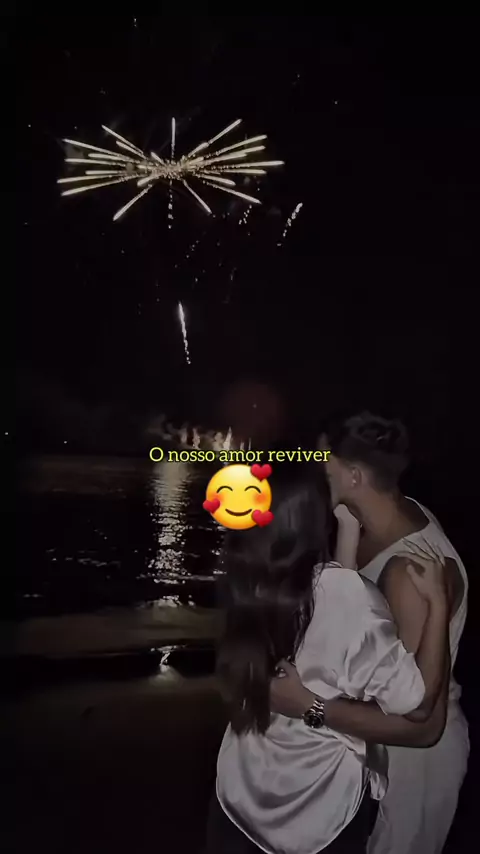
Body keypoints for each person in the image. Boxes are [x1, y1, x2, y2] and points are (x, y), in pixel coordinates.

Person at [206, 464, 450, 854]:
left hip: (240, 794)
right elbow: (417, 706)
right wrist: (438, 604)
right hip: (316, 813)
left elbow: (330, 613)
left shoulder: (247, 582)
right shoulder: (346, 599)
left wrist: (347, 533)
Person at [271, 412, 468, 854]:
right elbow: (352, 620)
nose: (316, 468)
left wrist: (309, 707)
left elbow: (421, 725)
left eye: (324, 462)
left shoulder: (408, 575)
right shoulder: (387, 517)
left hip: (412, 768)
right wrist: (346, 530)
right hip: (373, 748)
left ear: (355, 476)